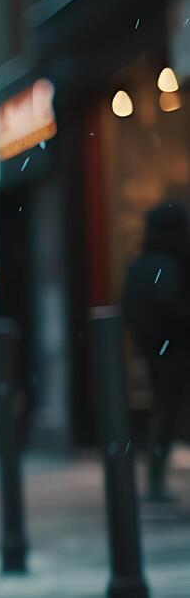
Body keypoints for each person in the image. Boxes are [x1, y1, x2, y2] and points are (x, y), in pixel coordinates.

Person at [122, 201, 190, 504]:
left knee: (166, 410)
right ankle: (156, 479)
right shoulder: (169, 262)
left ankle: (156, 477)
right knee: (168, 410)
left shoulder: (144, 264)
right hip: (173, 348)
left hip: (159, 350)